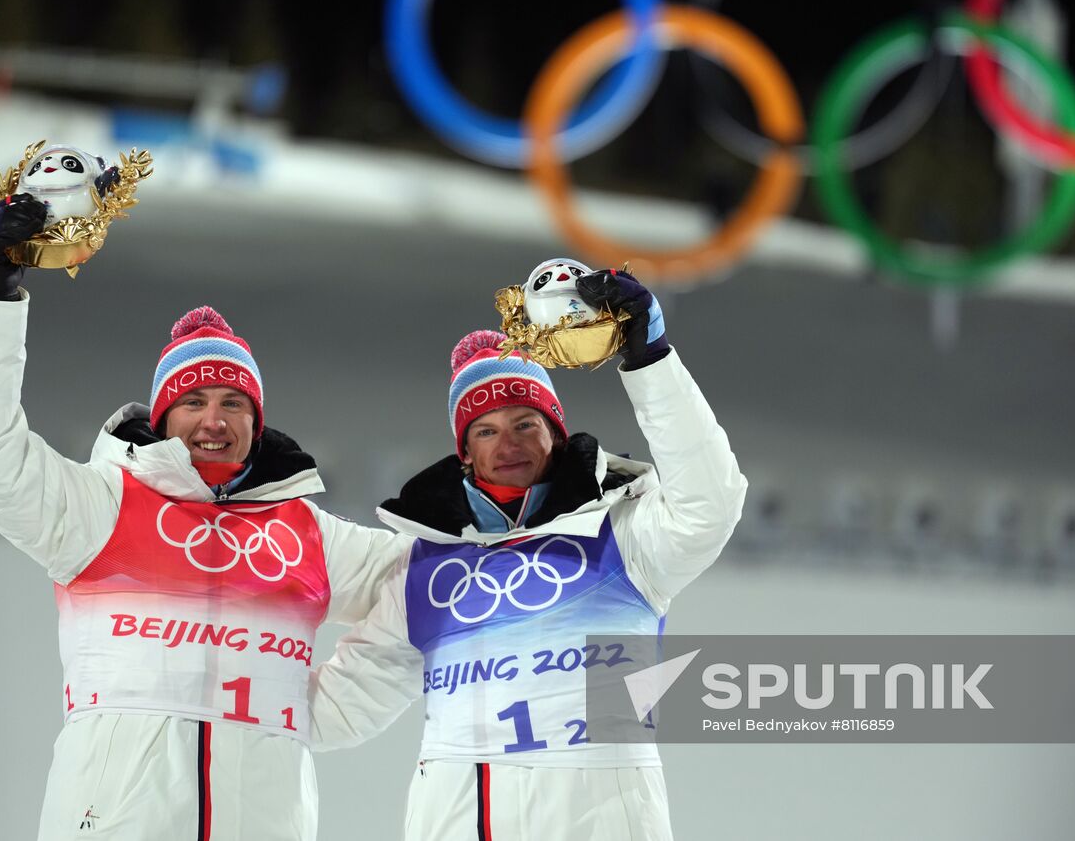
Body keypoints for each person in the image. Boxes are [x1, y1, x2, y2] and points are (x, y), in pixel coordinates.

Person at [0, 190, 406, 841]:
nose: (213, 419)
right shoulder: (102, 505)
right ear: (161, 418)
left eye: (233, 402)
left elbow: (433, 585)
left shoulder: (303, 531)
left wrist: (329, 707)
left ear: (256, 420)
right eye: (193, 401)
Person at [307, 265, 748, 840]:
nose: (507, 444)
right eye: (485, 431)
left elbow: (709, 504)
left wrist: (652, 362)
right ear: (464, 453)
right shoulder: (426, 570)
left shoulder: (622, 535)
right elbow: (338, 708)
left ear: (556, 435)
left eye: (524, 423)